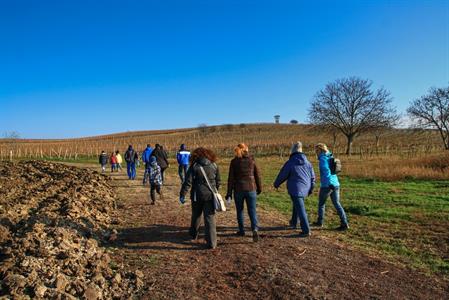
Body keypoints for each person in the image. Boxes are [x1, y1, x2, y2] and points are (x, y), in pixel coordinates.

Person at [179, 147, 220, 249]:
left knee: (196, 215)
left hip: (197, 196)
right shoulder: (214, 165)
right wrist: (215, 190)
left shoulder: (194, 166)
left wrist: (182, 194)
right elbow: (218, 181)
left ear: (196, 156)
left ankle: (193, 234)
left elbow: (188, 182)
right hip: (210, 195)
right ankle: (212, 242)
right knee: (210, 218)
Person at [273, 141, 315, 237]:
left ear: (292, 151)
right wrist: (311, 188)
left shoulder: (290, 162)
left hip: (295, 188)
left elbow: (283, 174)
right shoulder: (308, 163)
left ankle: (306, 230)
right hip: (306, 188)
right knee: (297, 204)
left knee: (300, 208)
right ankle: (294, 222)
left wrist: (276, 184)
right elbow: (313, 177)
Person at [225, 143, 262, 242]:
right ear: (246, 149)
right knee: (252, 210)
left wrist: (229, 193)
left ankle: (241, 230)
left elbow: (231, 179)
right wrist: (259, 188)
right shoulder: (252, 160)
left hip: (238, 189)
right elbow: (257, 175)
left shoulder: (234, 162)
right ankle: (254, 229)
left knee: (240, 211)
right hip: (251, 188)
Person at [313, 143, 349, 231]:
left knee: (321, 204)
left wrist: (329, 183)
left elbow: (326, 171)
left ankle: (320, 222)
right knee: (337, 204)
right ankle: (344, 223)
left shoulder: (323, 159)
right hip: (336, 184)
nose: (315, 152)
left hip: (327, 185)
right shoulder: (330, 156)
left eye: (316, 150)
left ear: (320, 150)